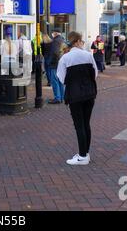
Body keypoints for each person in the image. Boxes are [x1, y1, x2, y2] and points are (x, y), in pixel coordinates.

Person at [57, 31, 98, 166]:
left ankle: (82, 156)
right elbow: (95, 73)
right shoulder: (88, 56)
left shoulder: (65, 58)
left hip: (74, 95)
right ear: (78, 41)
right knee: (86, 124)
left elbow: (61, 78)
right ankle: (85, 153)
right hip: (89, 94)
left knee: (79, 125)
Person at [49, 29, 66, 104]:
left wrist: (51, 61)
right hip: (61, 62)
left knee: (54, 81)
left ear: (55, 33)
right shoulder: (62, 40)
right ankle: (62, 97)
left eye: (52, 33)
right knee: (60, 81)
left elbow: (55, 53)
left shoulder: (55, 41)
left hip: (55, 63)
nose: (52, 34)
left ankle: (57, 98)